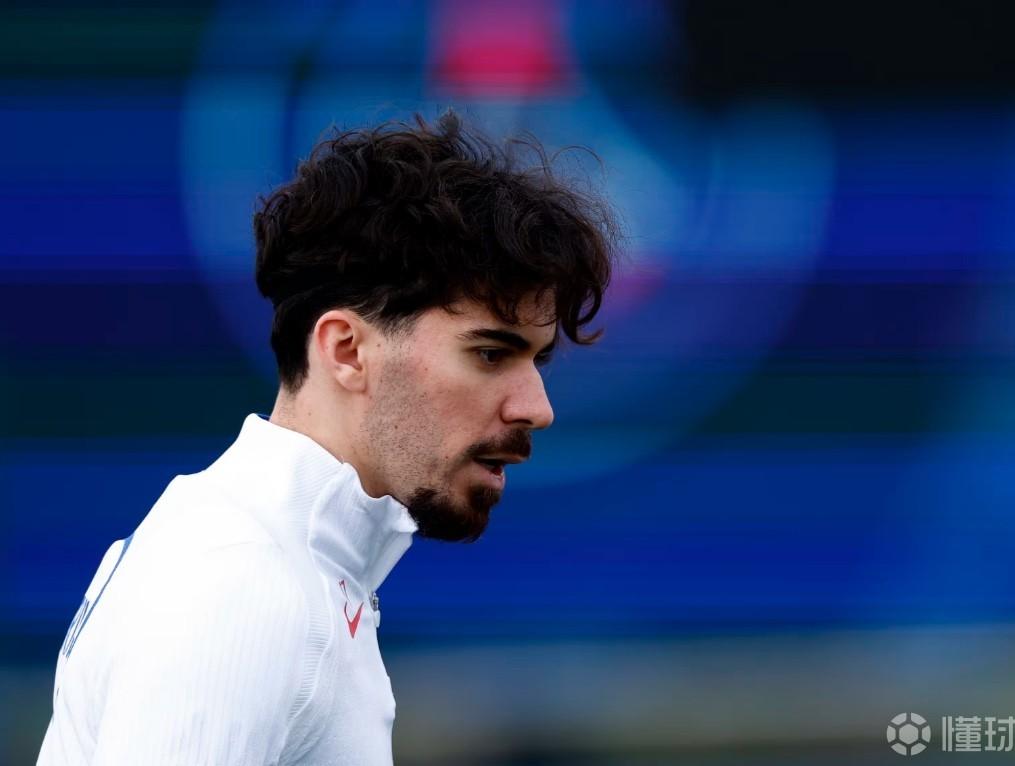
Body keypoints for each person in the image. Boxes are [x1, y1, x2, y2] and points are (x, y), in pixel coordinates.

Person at [37, 111, 616, 765]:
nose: (537, 409)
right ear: (346, 350)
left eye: (536, 360)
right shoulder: (241, 584)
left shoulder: (292, 568)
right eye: (490, 353)